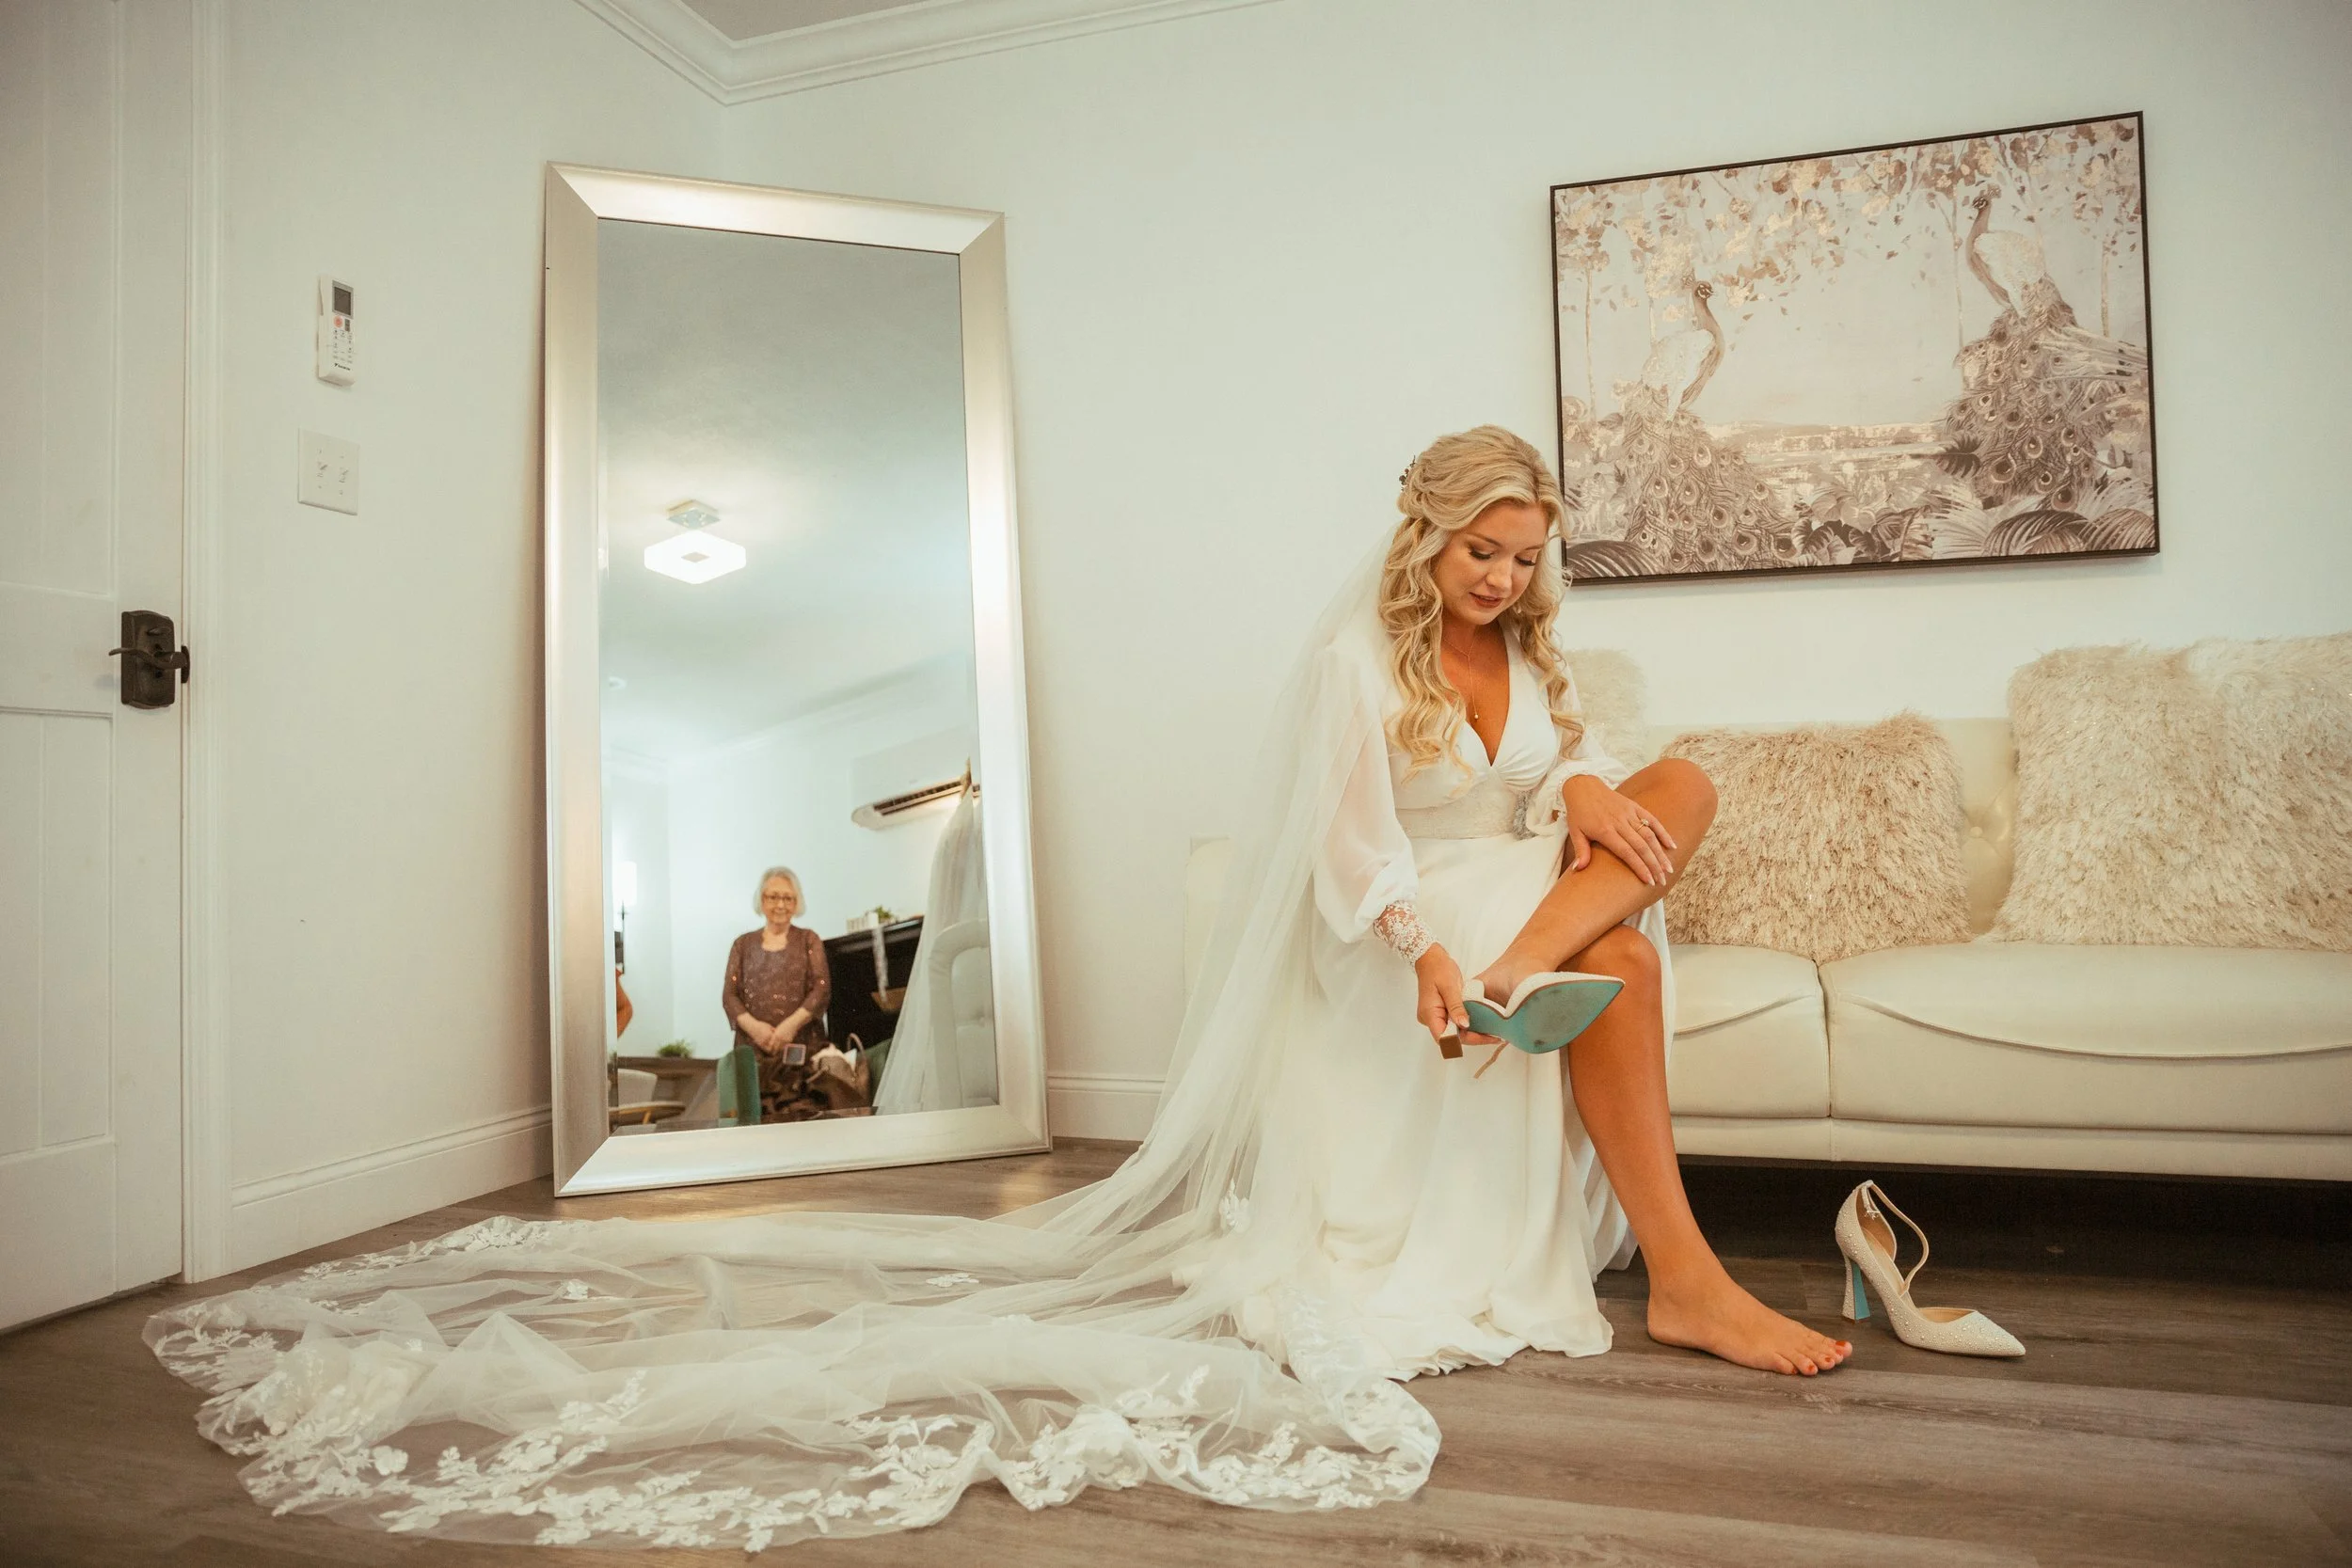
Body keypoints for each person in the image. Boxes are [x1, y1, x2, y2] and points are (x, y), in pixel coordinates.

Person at [146, 427, 1842, 1550]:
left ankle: (1533, 980)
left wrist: (1581, 783)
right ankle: (1674, 1252)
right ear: (1427, 536)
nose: (1506, 580)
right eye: (1485, 551)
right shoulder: (1354, 662)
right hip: (1416, 927)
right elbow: (1353, 853)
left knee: (1680, 781)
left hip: (1519, 901)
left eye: (1528, 556)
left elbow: (1540, 776)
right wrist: (1430, 950)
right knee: (1627, 950)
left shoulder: (1534, 652)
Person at [722, 866, 835, 1122]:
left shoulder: (809, 939)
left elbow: (821, 989)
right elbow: (729, 995)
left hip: (800, 1050)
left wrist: (788, 1027)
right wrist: (757, 1030)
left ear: (797, 903)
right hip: (753, 1054)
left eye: (788, 898)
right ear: (761, 900)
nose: (780, 904)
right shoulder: (742, 944)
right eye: (773, 897)